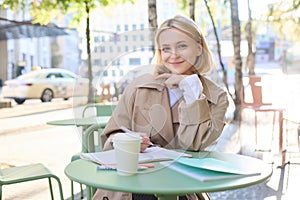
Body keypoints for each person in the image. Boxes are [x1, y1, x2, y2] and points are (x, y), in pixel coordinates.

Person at [93, 14, 229, 200]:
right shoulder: (138, 86)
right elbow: (110, 137)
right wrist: (126, 141)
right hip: (131, 186)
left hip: (181, 189)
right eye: (166, 48)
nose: (173, 55)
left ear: (199, 48)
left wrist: (191, 89)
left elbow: (194, 144)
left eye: (182, 46)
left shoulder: (217, 98)